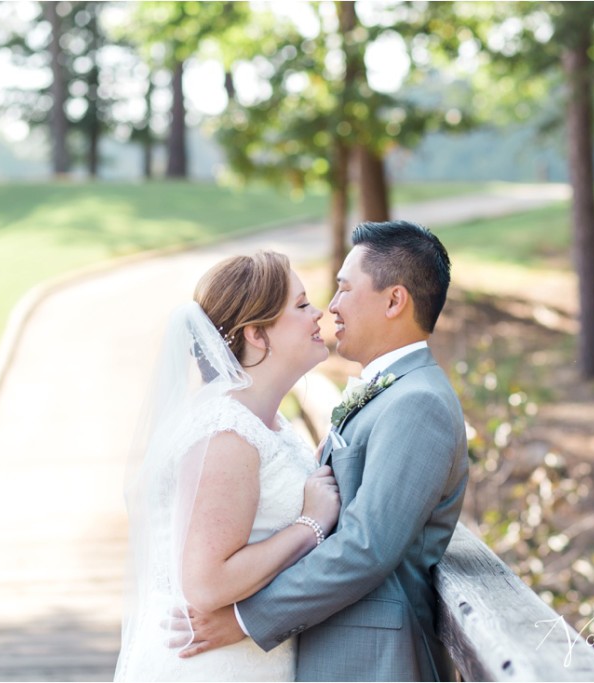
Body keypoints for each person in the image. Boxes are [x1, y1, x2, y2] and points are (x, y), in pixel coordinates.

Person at [179, 220, 470, 681]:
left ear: (394, 300)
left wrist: (245, 619)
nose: (329, 308)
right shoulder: (390, 393)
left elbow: (367, 546)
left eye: (344, 289)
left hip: (374, 660)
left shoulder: (418, 403)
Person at [113, 250, 341, 682]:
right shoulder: (226, 433)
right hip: (212, 666)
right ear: (256, 333)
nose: (319, 314)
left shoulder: (265, 422)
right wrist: (309, 525)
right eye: (301, 304)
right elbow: (206, 584)